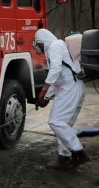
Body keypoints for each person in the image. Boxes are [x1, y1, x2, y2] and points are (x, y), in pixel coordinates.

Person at [34, 28, 88, 170]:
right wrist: (45, 97)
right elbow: (58, 77)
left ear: (42, 42)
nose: (38, 48)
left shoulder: (55, 45)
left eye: (38, 45)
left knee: (56, 122)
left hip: (70, 88)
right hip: (73, 87)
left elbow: (56, 70)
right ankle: (63, 158)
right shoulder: (60, 46)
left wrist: (44, 89)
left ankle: (79, 152)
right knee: (64, 125)